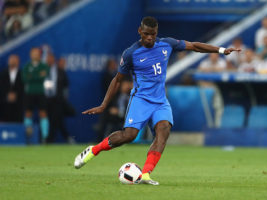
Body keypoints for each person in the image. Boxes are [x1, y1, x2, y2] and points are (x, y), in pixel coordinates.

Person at [73, 16, 240, 185]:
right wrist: (103, 105)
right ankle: (93, 150)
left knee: (164, 130)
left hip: (160, 101)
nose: (150, 37)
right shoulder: (131, 53)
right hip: (140, 100)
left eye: (153, 34)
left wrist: (220, 50)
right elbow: (117, 79)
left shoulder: (167, 44)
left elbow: (194, 46)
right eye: (146, 34)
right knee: (129, 135)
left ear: (156, 32)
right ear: (140, 31)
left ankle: (145, 174)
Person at [22, 47, 49, 143]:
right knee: (28, 114)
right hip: (29, 93)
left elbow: (44, 75)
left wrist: (32, 76)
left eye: (37, 53)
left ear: (39, 55)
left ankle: (45, 137)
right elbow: (25, 79)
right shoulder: (26, 66)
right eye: (33, 53)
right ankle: (28, 136)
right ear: (30, 55)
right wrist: (38, 75)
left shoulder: (44, 66)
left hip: (41, 93)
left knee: (43, 114)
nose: (35, 55)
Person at [45, 53, 74, 144]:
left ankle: (49, 140)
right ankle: (67, 137)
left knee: (55, 119)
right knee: (54, 120)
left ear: (54, 59)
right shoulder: (43, 70)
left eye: (51, 58)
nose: (49, 60)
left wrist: (64, 98)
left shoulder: (60, 71)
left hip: (58, 100)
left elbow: (66, 85)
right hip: (46, 100)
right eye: (48, 58)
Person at [0, 54, 24, 122]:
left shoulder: (23, 74)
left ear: (18, 62)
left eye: (14, 60)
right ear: (8, 61)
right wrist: (6, 96)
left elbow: (24, 89)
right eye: (11, 60)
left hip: (18, 106)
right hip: (4, 106)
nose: (13, 61)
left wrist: (16, 96)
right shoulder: (2, 74)